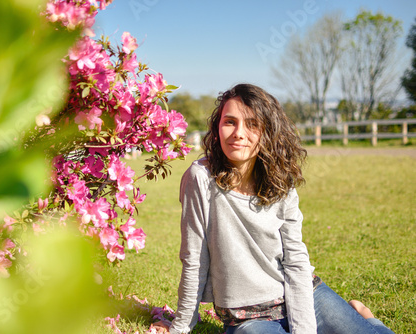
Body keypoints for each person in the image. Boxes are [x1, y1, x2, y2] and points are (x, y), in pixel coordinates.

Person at [152, 84, 394, 334]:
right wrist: (181, 326)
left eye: (252, 124)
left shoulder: (281, 182)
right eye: (230, 122)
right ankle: (362, 319)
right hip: (249, 320)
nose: (239, 133)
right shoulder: (200, 178)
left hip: (305, 297)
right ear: (217, 128)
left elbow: (296, 260)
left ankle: (367, 321)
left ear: (267, 131)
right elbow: (194, 257)